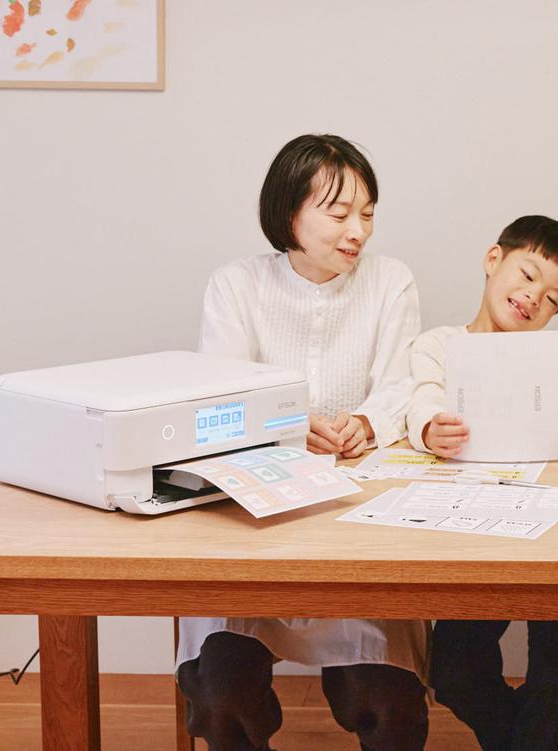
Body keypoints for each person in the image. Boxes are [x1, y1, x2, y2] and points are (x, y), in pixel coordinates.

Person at [176, 134, 428, 751]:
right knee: (223, 695)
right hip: (253, 526)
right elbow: (222, 395)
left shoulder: (389, 281)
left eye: (367, 214)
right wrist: (289, 427)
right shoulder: (236, 285)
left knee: (389, 705)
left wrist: (365, 422)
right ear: (289, 212)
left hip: (357, 522)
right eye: (338, 213)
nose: (357, 231)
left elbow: (402, 385)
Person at [408, 215, 558, 751]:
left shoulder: (553, 361)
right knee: (454, 671)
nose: (532, 298)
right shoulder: (439, 346)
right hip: (472, 537)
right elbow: (422, 399)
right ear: (493, 259)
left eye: (551, 299)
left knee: (556, 675)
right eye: (526, 275)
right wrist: (429, 428)